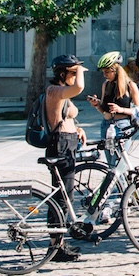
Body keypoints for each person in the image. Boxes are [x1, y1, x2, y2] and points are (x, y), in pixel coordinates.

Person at [43, 54, 89, 262]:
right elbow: (79, 88)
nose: (75, 76)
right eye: (71, 73)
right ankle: (55, 247)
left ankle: (59, 244)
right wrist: (80, 69)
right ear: (62, 74)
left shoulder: (62, 93)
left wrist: (77, 128)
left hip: (67, 142)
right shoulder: (55, 91)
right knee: (61, 198)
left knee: (65, 196)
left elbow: (64, 116)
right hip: (60, 145)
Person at [92, 51, 139, 167]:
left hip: (122, 127)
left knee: (118, 164)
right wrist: (96, 105)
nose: (104, 75)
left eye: (107, 72)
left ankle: (121, 185)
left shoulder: (130, 85)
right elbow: (104, 111)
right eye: (103, 72)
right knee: (111, 166)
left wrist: (121, 110)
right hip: (106, 126)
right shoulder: (106, 85)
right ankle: (120, 186)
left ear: (115, 69)